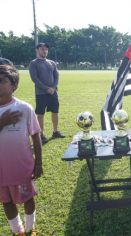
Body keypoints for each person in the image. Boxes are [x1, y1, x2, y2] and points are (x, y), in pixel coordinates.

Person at [0, 64, 43, 235]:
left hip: (21, 167)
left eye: (1, 81)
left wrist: (38, 163)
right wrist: (2, 122)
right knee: (6, 201)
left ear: (14, 85)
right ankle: (18, 231)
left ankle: (31, 228)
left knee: (27, 198)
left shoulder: (24, 108)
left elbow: (36, 136)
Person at [29, 42, 65, 144]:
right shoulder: (34, 63)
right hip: (41, 93)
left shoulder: (52, 63)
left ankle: (55, 131)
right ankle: (41, 134)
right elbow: (34, 79)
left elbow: (56, 76)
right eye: (42, 49)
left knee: (55, 111)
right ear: (37, 50)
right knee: (40, 114)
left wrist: (53, 87)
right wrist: (46, 88)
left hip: (53, 93)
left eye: (46, 49)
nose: (44, 51)